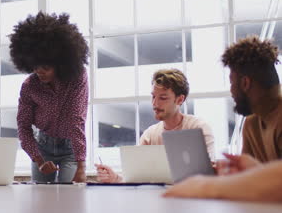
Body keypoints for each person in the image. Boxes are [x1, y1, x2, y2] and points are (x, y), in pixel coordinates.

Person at [164, 36, 282, 201]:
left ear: (245, 83)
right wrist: (228, 173)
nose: (232, 91)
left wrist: (205, 186)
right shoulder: (252, 123)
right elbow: (251, 177)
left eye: (232, 83)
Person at [10, 12, 89, 183]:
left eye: (45, 65)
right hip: (43, 147)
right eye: (35, 65)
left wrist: (82, 167)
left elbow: (76, 120)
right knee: (40, 199)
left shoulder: (77, 78)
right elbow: (23, 126)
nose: (39, 71)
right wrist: (38, 160)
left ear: (60, 62)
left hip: (70, 149)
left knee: (69, 197)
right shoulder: (30, 86)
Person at [96, 69, 215, 183]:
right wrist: (115, 178)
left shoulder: (198, 128)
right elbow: (137, 178)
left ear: (180, 99)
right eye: (153, 96)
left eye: (163, 98)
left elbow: (209, 174)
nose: (155, 104)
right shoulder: (150, 135)